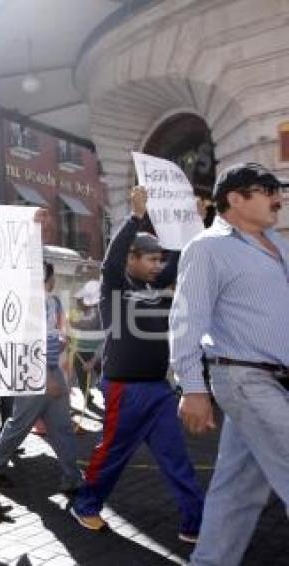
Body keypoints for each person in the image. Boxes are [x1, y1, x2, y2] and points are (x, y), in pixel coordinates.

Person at [70, 187, 204, 543]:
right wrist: (134, 216)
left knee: (177, 460)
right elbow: (111, 261)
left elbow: (177, 258)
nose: (158, 265)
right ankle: (85, 505)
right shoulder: (112, 286)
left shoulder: (155, 286)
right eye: (150, 259)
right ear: (132, 257)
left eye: (159, 260)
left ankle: (194, 523)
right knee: (110, 456)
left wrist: (195, 224)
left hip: (160, 391)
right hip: (123, 391)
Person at [171, 163, 289, 565]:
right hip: (244, 377)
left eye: (279, 189)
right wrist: (192, 388)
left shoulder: (279, 244)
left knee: (237, 489)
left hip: (274, 380)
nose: (278, 197)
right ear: (235, 199)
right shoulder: (207, 248)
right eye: (266, 189)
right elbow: (186, 320)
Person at [0, 263, 83, 494]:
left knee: (61, 427)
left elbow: (54, 335)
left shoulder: (52, 302)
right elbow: (26, 345)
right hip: (35, 373)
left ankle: (73, 478)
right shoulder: (27, 305)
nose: (54, 281)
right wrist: (46, 377)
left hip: (50, 371)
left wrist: (61, 343)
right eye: (51, 277)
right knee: (20, 424)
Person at [67, 279, 104, 431]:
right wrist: (70, 343)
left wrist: (94, 359)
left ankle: (113, 405)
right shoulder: (74, 314)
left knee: (105, 380)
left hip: (97, 354)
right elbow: (67, 332)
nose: (80, 302)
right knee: (83, 381)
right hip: (79, 352)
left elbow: (105, 340)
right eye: (79, 300)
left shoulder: (102, 316)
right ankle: (87, 398)